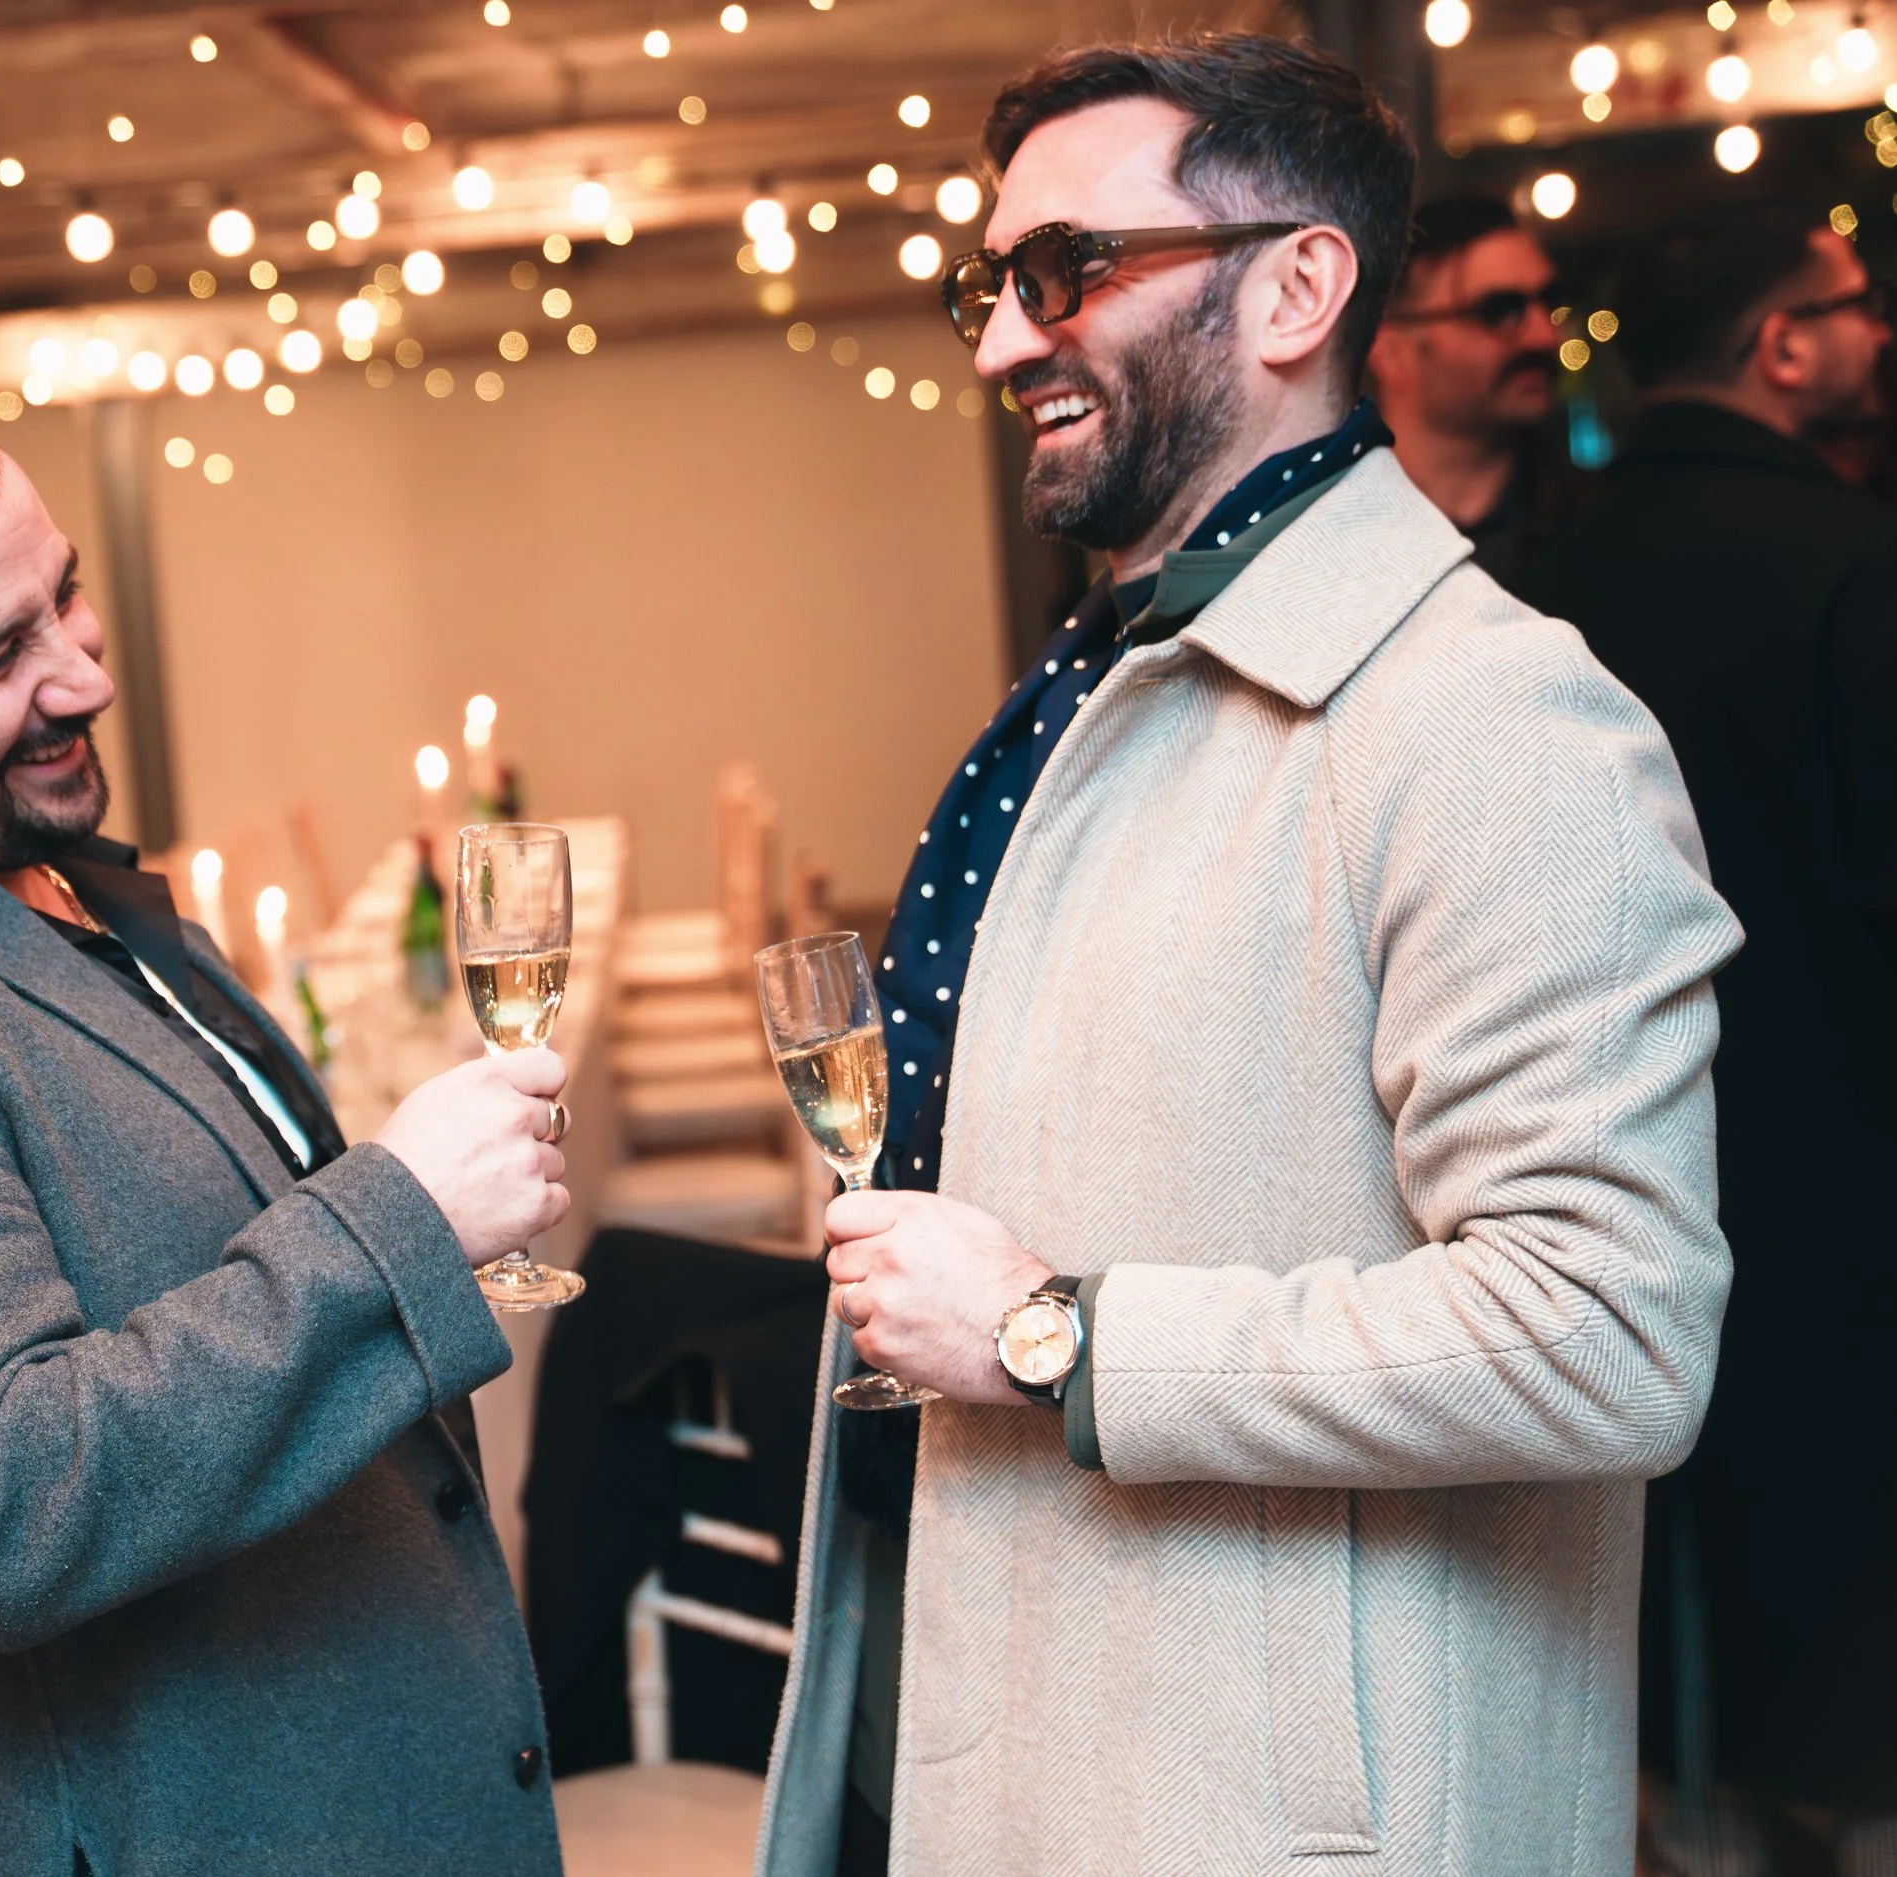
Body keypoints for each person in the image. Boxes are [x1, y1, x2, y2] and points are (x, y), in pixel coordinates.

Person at [756, 35, 1740, 1877]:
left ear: (1297, 285)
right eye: (990, 286)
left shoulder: (1497, 719)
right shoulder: (1100, 684)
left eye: (1065, 274)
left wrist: (1055, 1335)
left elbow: (1611, 1328)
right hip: (1028, 1741)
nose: (995, 344)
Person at [0, 373, 573, 1875]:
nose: (81, 676)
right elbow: (2, 1507)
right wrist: (399, 1216)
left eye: (64, 600)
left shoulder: (42, 871)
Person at [1521, 205, 1897, 1877]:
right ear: (1783, 344)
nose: (1879, 331)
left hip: (1597, 1162)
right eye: (1853, 306)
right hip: (1848, 1165)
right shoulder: (1858, 562)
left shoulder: (1533, 588)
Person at [1365, 194, 1595, 580]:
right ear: (1390, 350)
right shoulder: (1326, 529)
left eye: (1551, 303)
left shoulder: (1596, 524)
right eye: (1501, 311)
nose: (1544, 336)